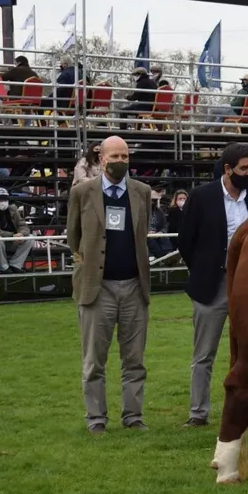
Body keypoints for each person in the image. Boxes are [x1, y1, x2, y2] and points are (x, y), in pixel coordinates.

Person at [178, 143, 248, 429]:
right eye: (244, 168)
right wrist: (205, 271)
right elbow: (186, 241)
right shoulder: (201, 197)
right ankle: (198, 413)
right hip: (212, 285)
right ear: (227, 169)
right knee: (203, 354)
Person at [67, 135, 151, 434]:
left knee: (135, 360)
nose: (120, 162)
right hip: (96, 288)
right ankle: (96, 419)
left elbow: (142, 235)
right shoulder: (82, 192)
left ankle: (133, 417)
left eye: (125, 156)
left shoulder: (142, 192)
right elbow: (73, 236)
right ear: (101, 158)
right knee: (94, 362)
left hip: (133, 287)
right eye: (114, 157)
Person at [0, 188, 34, 274]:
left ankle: (15, 265)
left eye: (5, 199)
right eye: (0, 199)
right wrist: (12, 235)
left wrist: (21, 234)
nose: (3, 202)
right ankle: (4, 267)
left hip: (14, 240)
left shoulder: (13, 209)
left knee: (30, 238)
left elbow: (22, 224)